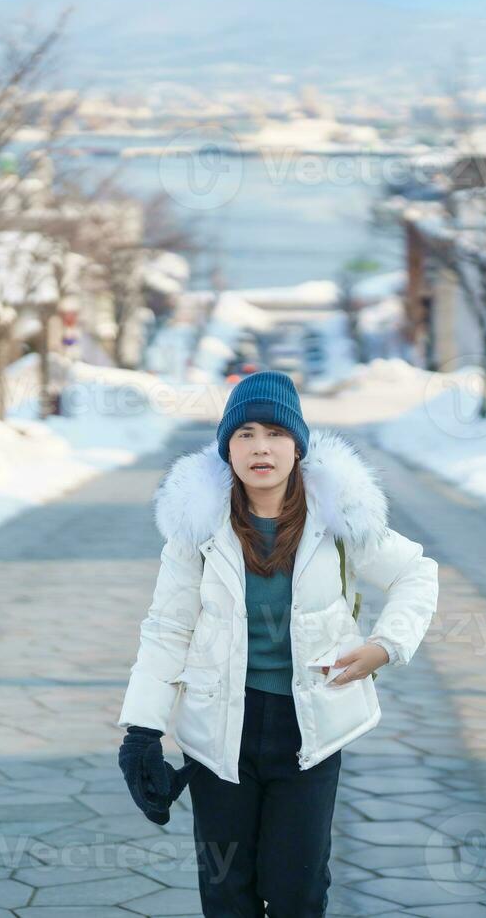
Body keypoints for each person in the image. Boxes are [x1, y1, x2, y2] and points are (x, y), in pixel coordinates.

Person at [117, 370, 440, 917]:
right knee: (226, 893)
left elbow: (416, 572)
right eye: (244, 434)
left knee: (298, 892)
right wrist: (142, 732)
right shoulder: (197, 529)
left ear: (297, 445)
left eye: (274, 433)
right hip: (220, 732)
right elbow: (168, 628)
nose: (260, 447)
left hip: (309, 729)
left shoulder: (340, 519)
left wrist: (387, 645)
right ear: (227, 449)